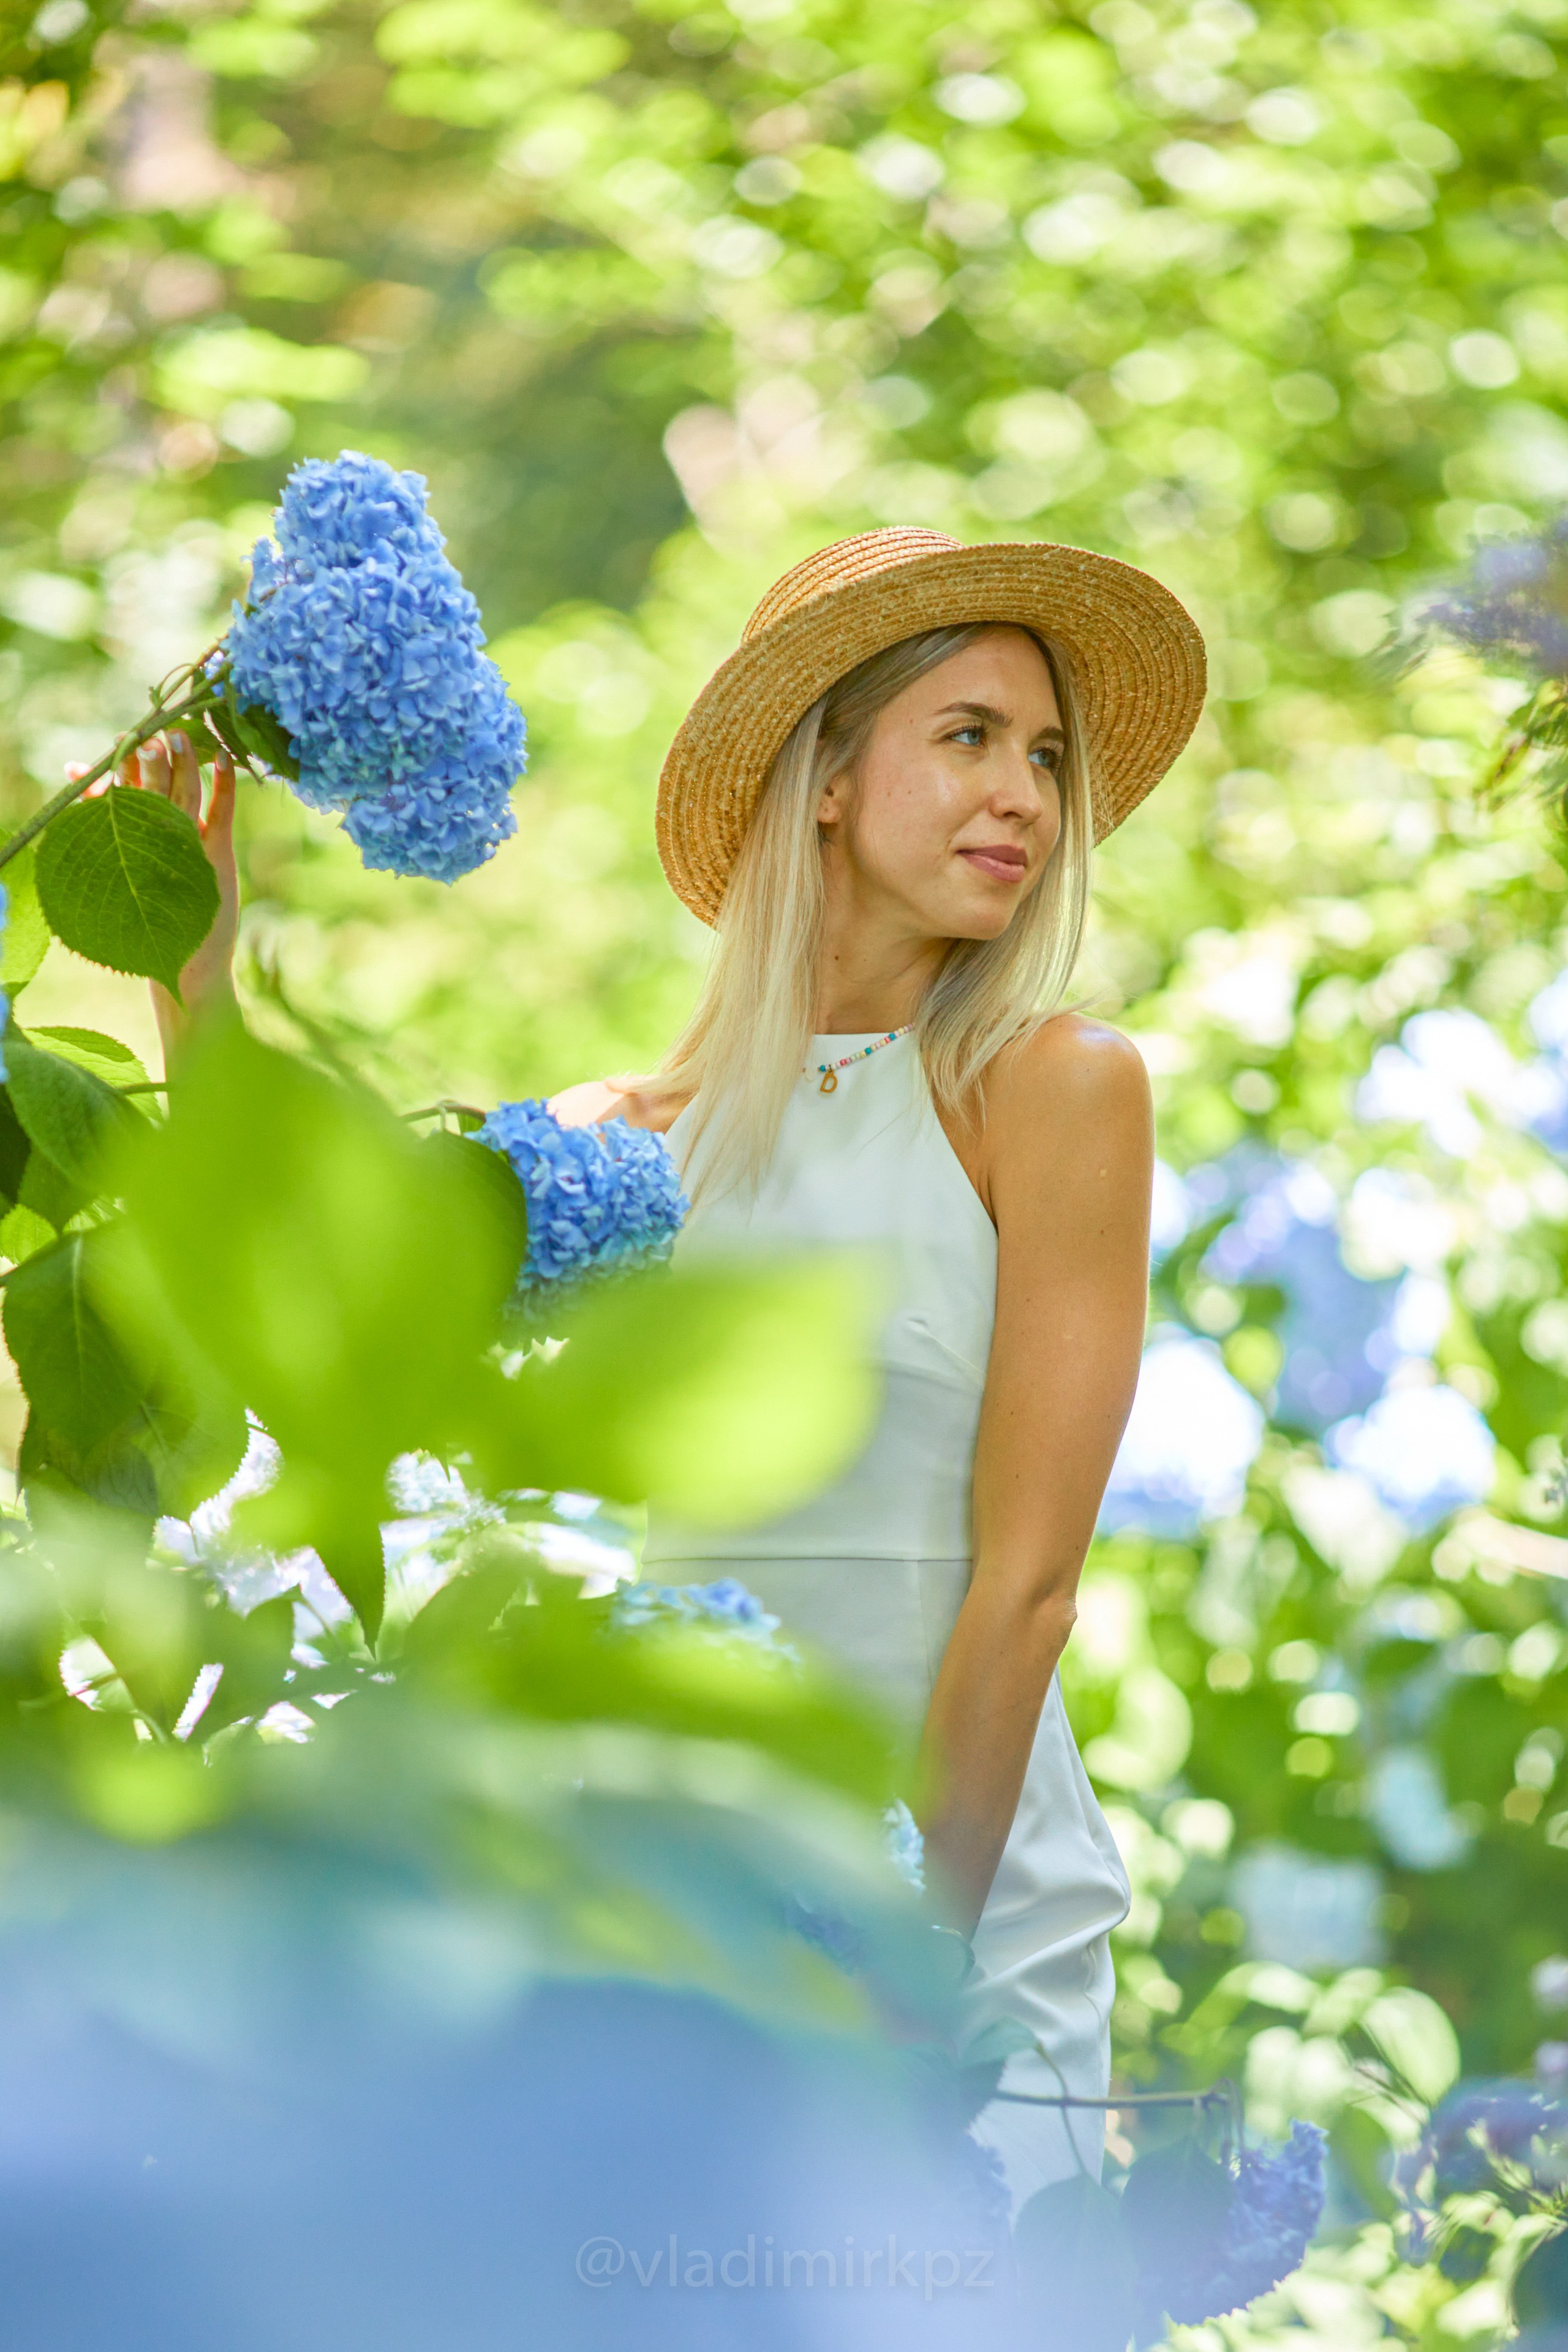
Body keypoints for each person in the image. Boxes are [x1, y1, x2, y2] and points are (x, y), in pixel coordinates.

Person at [129, 524, 1205, 2214]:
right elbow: (323, 1333)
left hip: (960, 1919)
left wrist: (904, 1966)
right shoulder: (615, 1147)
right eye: (969, 736)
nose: (1027, 797)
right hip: (656, 1906)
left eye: (1048, 755)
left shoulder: (1052, 1087)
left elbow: (1029, 1591)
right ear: (827, 781)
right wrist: (193, 978)